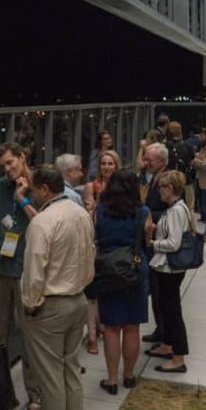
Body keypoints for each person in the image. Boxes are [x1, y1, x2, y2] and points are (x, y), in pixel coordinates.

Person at [13, 166, 94, 410]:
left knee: (49, 378)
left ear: (45, 189)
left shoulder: (43, 222)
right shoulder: (80, 213)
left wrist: (30, 304)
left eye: (34, 189)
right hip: (78, 300)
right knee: (70, 373)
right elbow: (89, 254)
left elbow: (34, 270)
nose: (32, 194)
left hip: (50, 305)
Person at [0, 143, 40, 410]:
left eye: (10, 163)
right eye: (3, 165)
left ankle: (36, 395)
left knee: (30, 333)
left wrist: (23, 199)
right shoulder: (0, 186)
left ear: (22, 157)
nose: (7, 169)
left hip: (26, 268)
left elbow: (44, 224)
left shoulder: (41, 184)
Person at [94, 170, 150, 395]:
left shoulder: (100, 211)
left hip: (108, 269)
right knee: (132, 326)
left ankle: (111, 379)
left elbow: (95, 237)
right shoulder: (142, 211)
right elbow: (146, 239)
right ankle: (128, 375)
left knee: (111, 327)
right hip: (134, 268)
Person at [144, 171, 193, 373]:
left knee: (172, 312)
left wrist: (152, 243)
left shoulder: (175, 211)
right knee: (165, 308)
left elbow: (173, 243)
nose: (159, 192)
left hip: (169, 269)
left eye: (162, 188)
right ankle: (167, 345)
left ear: (170, 189)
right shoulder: (174, 208)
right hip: (166, 268)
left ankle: (178, 357)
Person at [81, 150, 120, 354]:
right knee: (92, 292)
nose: (106, 167)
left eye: (110, 164)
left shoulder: (122, 187)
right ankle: (92, 334)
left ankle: (104, 325)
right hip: (95, 241)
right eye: (103, 163)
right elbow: (88, 214)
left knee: (107, 288)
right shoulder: (92, 186)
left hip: (112, 243)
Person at [140, 143, 169, 346]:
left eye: (149, 159)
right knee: (156, 293)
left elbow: (171, 211)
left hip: (161, 242)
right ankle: (161, 330)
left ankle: (166, 333)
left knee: (161, 293)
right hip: (152, 240)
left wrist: (148, 216)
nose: (145, 162)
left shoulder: (166, 180)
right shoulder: (149, 178)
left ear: (160, 161)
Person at [165, 122, 195, 214]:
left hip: (169, 179)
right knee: (189, 207)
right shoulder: (188, 147)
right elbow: (192, 161)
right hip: (186, 179)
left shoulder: (166, 147)